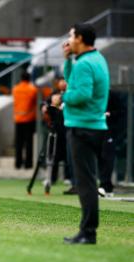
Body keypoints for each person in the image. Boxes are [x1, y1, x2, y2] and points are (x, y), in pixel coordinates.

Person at [52, 23, 110, 245]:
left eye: (71, 36)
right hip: (92, 127)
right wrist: (67, 60)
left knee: (85, 183)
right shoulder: (94, 59)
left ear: (81, 39)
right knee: (87, 180)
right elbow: (73, 81)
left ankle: (88, 232)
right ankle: (87, 230)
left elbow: (81, 94)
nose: (68, 40)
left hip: (83, 128)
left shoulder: (85, 64)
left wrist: (62, 98)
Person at [12, 72, 38, 169]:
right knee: (29, 142)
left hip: (18, 119)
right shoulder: (32, 89)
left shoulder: (15, 89)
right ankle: (28, 163)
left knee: (18, 142)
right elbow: (35, 101)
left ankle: (18, 163)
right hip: (29, 119)